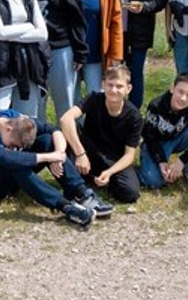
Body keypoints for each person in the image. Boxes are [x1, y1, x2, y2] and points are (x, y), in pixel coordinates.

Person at [0, 110, 100, 228]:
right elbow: (6, 158)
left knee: (47, 140)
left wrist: (59, 154)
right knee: (15, 164)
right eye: (12, 144)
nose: (12, 147)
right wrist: (48, 157)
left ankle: (79, 191)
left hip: (9, 173)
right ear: (8, 128)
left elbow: (53, 130)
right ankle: (65, 206)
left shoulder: (16, 118)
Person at [25, 0, 89, 123]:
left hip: (61, 47)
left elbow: (77, 19)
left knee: (65, 101)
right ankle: (40, 142)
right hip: (34, 48)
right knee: (36, 102)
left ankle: (69, 143)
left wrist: (80, 52)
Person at [61, 62, 142, 205]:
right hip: (89, 151)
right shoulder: (94, 99)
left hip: (114, 158)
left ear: (128, 89)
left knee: (131, 193)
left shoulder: (134, 116)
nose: (113, 90)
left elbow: (129, 155)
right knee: (68, 129)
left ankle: (98, 179)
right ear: (103, 84)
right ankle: (76, 180)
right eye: (110, 85)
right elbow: (65, 119)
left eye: (119, 86)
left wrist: (110, 172)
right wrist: (80, 154)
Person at [69, 0, 124, 97]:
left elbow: (115, 21)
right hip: (69, 52)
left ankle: (92, 123)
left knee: (96, 96)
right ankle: (74, 123)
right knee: (70, 97)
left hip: (95, 52)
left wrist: (116, 55)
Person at [140, 72, 188, 190]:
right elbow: (148, 135)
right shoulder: (156, 106)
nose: (183, 98)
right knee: (153, 181)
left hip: (178, 139)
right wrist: (161, 160)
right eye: (180, 91)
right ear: (172, 88)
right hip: (157, 143)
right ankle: (146, 160)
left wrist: (181, 161)